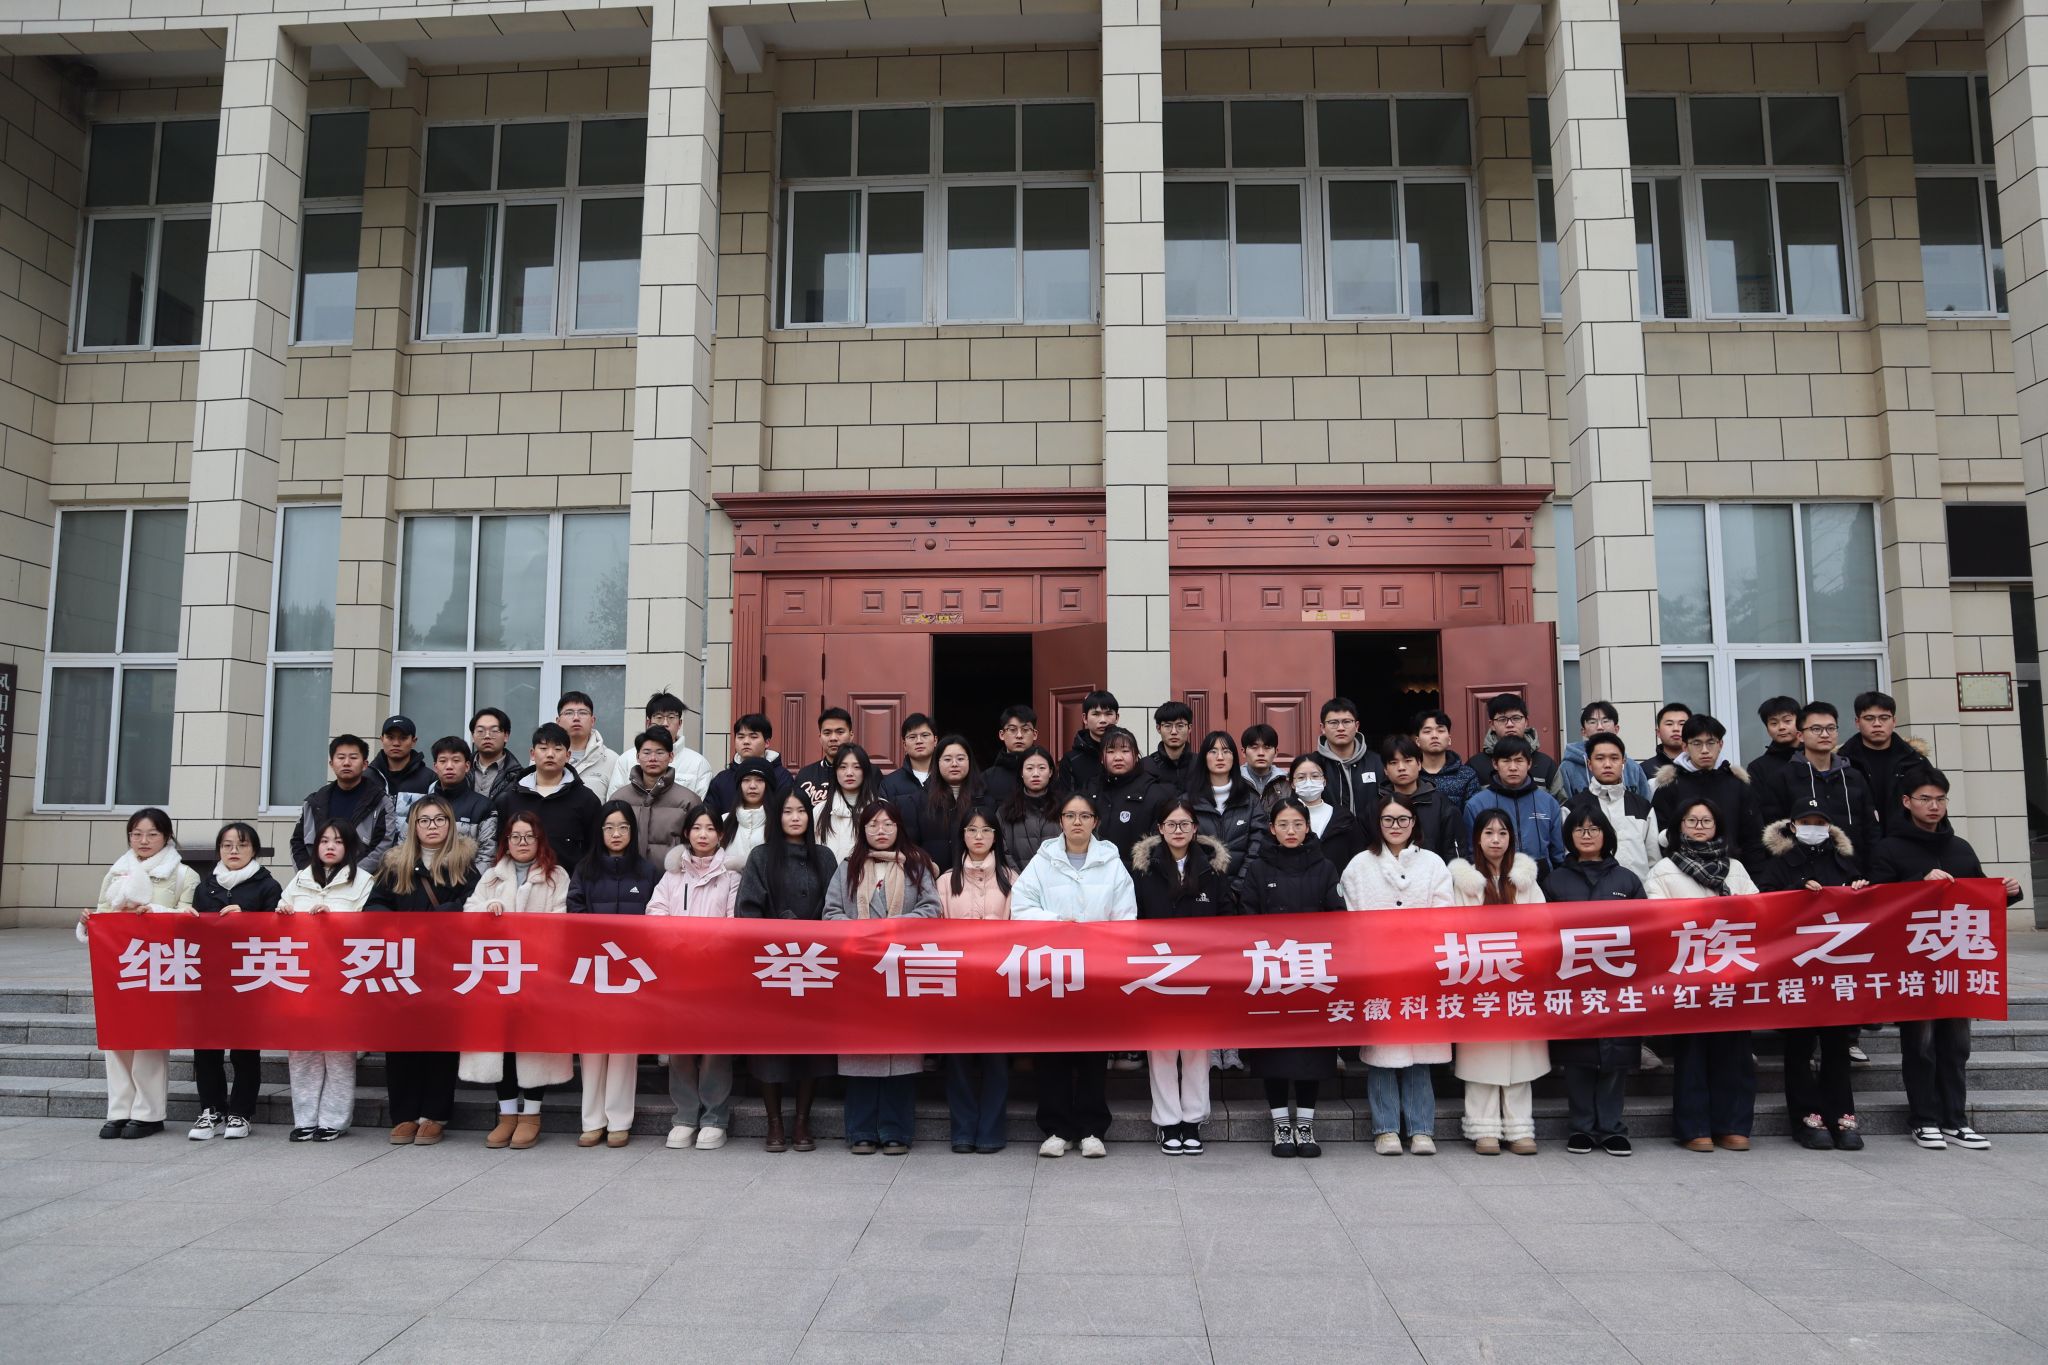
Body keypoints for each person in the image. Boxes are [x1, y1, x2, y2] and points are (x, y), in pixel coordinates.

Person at [1872, 770, 2023, 1151]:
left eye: (1940, 799)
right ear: (1907, 802)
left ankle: (1955, 1119)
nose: (1934, 806)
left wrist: (2008, 892)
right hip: (1914, 963)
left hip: (1958, 964)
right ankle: (1924, 1119)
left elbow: (1980, 899)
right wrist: (1918, 884)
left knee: (1957, 1046)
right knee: (1920, 1045)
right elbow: (1875, 903)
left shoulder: (1960, 848)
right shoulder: (1889, 848)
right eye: (1925, 799)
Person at [1011, 792, 1138, 1157]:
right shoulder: (1043, 861)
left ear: (1095, 822)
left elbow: (1126, 917)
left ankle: (1092, 1129)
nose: (1077, 822)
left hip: (1096, 970)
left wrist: (1100, 940)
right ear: (1060, 821)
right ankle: (1056, 1129)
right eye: (1070, 815)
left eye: (1084, 816)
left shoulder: (1111, 863)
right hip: (1051, 970)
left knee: (1092, 1054)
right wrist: (1056, 923)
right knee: (1052, 1052)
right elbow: (1021, 908)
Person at [824, 799, 940, 1155]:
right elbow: (830, 913)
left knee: (900, 1054)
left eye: (888, 824)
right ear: (863, 830)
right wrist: (861, 932)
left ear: (899, 828)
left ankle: (896, 1131)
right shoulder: (848, 866)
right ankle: (860, 1131)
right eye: (873, 824)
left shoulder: (916, 864)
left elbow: (932, 909)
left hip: (901, 969)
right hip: (858, 972)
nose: (881, 830)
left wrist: (892, 928)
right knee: (861, 1052)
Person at [1646, 797, 1761, 1153]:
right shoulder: (1664, 870)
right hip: (1688, 974)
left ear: (1717, 826)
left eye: (1706, 821)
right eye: (1692, 821)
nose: (1699, 827)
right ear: (1679, 826)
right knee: (1693, 1052)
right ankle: (1694, 1127)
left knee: (1735, 1053)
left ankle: (1733, 1125)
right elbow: (1655, 917)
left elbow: (1758, 909)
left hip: (1731, 972)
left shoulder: (1735, 868)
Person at [1342, 791, 1455, 1155]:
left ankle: (1422, 1129)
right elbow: (1350, 919)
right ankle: (1386, 1128)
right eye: (1388, 820)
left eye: (1403, 819)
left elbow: (1445, 916)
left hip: (1422, 970)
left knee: (1421, 1055)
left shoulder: (1434, 864)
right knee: (1383, 1055)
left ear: (1414, 823)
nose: (1395, 826)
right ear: (1377, 824)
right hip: (1379, 971)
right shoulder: (1359, 865)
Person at [1755, 799, 1870, 1151]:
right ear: (1793, 826)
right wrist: (1797, 891)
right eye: (1807, 822)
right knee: (1800, 1046)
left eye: (1820, 822)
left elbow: (1868, 909)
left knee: (1837, 1045)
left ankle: (1842, 1114)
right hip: (1796, 969)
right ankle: (1806, 1116)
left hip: (1837, 970)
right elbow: (1763, 904)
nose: (1814, 828)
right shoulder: (1778, 864)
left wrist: (1861, 889)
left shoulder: (1845, 862)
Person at [366, 795, 480, 1146]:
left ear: (450, 825)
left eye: (439, 820)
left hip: (446, 967)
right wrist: (397, 924)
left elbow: (473, 907)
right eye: (424, 820)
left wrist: (443, 916)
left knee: (440, 1042)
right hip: (404, 966)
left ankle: (434, 1115)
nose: (432, 827)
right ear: (413, 826)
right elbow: (374, 906)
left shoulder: (465, 866)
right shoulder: (395, 865)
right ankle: (404, 1114)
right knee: (401, 1041)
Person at [1238, 797, 1346, 1157]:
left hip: (1313, 971)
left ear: (1308, 827)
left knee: (1310, 1053)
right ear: (1271, 829)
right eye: (1283, 824)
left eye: (1298, 824)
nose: (1290, 831)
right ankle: (1281, 1124)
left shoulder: (1324, 866)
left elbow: (1337, 916)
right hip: (1272, 971)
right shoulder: (1258, 868)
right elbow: (1248, 918)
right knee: (1275, 1052)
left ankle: (1306, 1125)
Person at [460, 811, 573, 1149]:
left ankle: (532, 1116)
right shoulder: (491, 876)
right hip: (497, 975)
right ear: (506, 842)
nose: (522, 843)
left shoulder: (556, 876)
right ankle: (507, 1114)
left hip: (538, 973)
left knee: (534, 1045)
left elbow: (564, 919)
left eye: (529, 836)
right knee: (503, 1044)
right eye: (515, 837)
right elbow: (469, 911)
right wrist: (488, 910)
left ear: (540, 840)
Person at [1131, 799, 1237, 1154]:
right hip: (1156, 971)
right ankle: (1167, 1122)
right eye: (1171, 824)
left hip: (1200, 973)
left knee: (1196, 1050)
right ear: (1160, 829)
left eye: (1185, 824)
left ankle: (1192, 1120)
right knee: (1161, 1050)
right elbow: (1134, 918)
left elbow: (1228, 919)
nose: (1178, 831)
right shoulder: (1143, 870)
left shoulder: (1213, 870)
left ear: (1195, 828)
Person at [86, 808, 199, 1139]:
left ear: (167, 836)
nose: (143, 840)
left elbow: (190, 918)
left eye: (152, 834)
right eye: (136, 834)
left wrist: (156, 912)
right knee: (117, 1038)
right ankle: (119, 1111)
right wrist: (90, 921)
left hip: (159, 964)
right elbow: (103, 914)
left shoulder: (183, 875)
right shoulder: (116, 872)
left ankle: (148, 1113)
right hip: (118, 965)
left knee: (149, 1039)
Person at [737, 790, 839, 1152]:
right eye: (787, 811)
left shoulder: (824, 856)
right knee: (771, 1046)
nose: (795, 818)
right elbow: (747, 910)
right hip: (774, 964)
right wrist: (781, 926)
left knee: (810, 1045)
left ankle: (802, 1121)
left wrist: (811, 930)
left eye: (801, 811)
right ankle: (774, 1122)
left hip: (814, 963)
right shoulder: (761, 856)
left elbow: (835, 905)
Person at [1542, 804, 1646, 1155]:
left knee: (1615, 1057)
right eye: (1579, 829)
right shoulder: (1555, 880)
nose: (1586, 835)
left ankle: (1612, 1128)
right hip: (1572, 980)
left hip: (1618, 980)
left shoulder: (1627, 880)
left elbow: (1646, 929)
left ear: (1606, 835)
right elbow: (1543, 932)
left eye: (1594, 829)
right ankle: (1582, 1127)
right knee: (1578, 1058)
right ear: (1569, 836)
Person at [1449, 809, 1547, 1155]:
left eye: (1502, 833)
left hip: (1519, 979)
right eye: (1489, 833)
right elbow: (1453, 931)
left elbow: (1542, 928)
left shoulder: (1526, 880)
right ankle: (1483, 1128)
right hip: (1479, 980)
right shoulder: (1463, 881)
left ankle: (1520, 1128)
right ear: (1477, 838)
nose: (1495, 840)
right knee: (1482, 1057)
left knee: (1521, 1058)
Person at [567, 802, 661, 1148]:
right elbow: (574, 910)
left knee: (623, 1047)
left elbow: (656, 917)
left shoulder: (647, 872)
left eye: (623, 827)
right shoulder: (585, 869)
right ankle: (592, 1121)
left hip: (631, 972)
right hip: (594, 968)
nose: (616, 834)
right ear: (600, 832)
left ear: (632, 832)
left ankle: (619, 1121)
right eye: (609, 828)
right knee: (592, 1048)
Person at [650, 806, 743, 1151]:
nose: (703, 834)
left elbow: (735, 922)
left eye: (710, 828)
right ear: (687, 833)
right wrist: (680, 946)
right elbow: (655, 913)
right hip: (678, 971)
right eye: (697, 828)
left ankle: (715, 1118)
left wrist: (705, 949)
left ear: (721, 835)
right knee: (681, 1046)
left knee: (715, 1047)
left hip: (717, 974)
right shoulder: (672, 875)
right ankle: (685, 1115)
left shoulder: (732, 876)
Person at [279, 821, 376, 1141]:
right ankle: (305, 1119)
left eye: (337, 841)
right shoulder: (300, 878)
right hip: (302, 978)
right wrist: (282, 913)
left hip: (341, 980)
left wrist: (334, 920)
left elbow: (369, 927)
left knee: (338, 1054)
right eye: (324, 841)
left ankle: (334, 1120)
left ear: (349, 846)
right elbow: (280, 915)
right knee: (301, 1052)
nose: (330, 846)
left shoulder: (363, 881)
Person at [187, 821, 281, 1141]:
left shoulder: (268, 886)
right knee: (206, 1049)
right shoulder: (205, 887)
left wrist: (248, 917)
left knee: (244, 1050)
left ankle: (241, 1112)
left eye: (241, 845)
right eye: (227, 845)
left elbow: (280, 931)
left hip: (249, 979)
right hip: (211, 980)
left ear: (254, 850)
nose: (234, 851)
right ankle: (211, 1110)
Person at [939, 812, 1013, 1154]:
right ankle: (963, 1130)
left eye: (986, 830)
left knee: (996, 1060)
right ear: (962, 836)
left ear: (996, 836)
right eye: (971, 830)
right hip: (957, 982)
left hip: (999, 981)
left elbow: (1021, 926)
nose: (979, 836)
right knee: (958, 1060)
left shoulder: (1012, 878)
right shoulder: (945, 881)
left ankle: (991, 1131)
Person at [1757, 702, 1878, 871]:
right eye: (1816, 729)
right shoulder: (1782, 778)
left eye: (1831, 728)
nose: (1825, 734)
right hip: (1803, 874)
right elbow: (1775, 832)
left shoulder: (1853, 777)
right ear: (1800, 735)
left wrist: (1871, 871)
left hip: (1854, 872)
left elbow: (1871, 829)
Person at [1649, 713, 1765, 869]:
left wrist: (1752, 874)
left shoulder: (1737, 785)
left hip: (1732, 870)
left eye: (1711, 743)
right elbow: (1661, 837)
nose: (1704, 750)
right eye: (1697, 743)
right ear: (1685, 747)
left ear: (1720, 744)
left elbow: (1753, 838)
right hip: (1683, 871)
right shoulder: (1670, 786)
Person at [496, 722, 604, 871]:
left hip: (569, 882)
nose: (550, 754)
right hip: (519, 881)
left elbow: (594, 850)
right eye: (543, 748)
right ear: (532, 754)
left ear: (568, 755)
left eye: (558, 749)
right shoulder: (510, 798)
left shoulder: (586, 799)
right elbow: (501, 847)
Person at [292, 733, 397, 873]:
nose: (346, 763)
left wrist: (351, 875)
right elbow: (297, 842)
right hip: (317, 879)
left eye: (353, 757)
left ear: (365, 764)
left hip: (360, 879)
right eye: (341, 757)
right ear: (331, 764)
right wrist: (311, 875)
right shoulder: (314, 802)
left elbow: (383, 845)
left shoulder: (380, 802)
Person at [1837, 690, 1937, 836]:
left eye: (1884, 718)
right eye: (1869, 718)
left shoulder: (1915, 761)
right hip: (1858, 842)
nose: (1877, 724)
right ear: (1857, 722)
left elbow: (1934, 802)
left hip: (1906, 841)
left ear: (1894, 721)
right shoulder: (1841, 762)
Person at [1463, 735, 1566, 871]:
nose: (1513, 767)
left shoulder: (1548, 803)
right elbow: (1472, 852)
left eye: (1519, 760)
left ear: (1529, 764)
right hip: (1493, 877)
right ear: (1495, 764)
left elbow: (1558, 853)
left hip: (1540, 877)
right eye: (1506, 761)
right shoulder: (1476, 805)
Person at [609, 725, 703, 867]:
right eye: (646, 752)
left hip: (674, 876)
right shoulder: (619, 798)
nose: (653, 758)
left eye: (660, 752)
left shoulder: (689, 800)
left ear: (671, 756)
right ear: (637, 757)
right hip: (626, 875)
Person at [1574, 733, 1660, 883]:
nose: (1607, 764)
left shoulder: (1642, 807)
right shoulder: (1573, 808)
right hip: (1591, 892)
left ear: (1623, 762)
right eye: (1600, 758)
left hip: (1638, 891)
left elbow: (1654, 860)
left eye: (1614, 758)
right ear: (1589, 764)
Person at [1187, 730, 1266, 883]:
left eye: (1226, 751)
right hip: (1199, 888)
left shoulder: (1251, 801)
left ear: (1234, 757)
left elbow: (1257, 847)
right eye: (1213, 751)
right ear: (1204, 757)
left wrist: (1238, 887)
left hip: (1242, 889)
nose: (1220, 757)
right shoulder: (1188, 801)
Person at [605, 690, 715, 799]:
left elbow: (700, 806)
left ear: (680, 723)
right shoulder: (626, 759)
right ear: (648, 723)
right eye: (659, 717)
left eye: (671, 717)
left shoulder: (698, 764)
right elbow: (614, 802)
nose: (665, 723)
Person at [1380, 734, 1464, 861]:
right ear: (1385, 770)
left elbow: (1454, 854)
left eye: (1408, 761)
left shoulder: (1441, 805)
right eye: (1393, 763)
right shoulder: (1376, 806)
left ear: (1419, 764)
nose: (1401, 768)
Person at [1094, 726, 1170, 865]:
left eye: (1125, 751)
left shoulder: (1154, 794)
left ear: (1136, 756)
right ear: (1101, 759)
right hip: (1094, 873)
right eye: (1110, 751)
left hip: (1136, 874)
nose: (1118, 757)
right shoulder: (1091, 791)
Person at [1284, 752, 1367, 871]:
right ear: (1292, 783)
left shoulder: (1344, 818)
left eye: (1315, 776)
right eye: (1301, 777)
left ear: (1324, 781)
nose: (1309, 782)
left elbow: (1358, 859)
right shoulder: (1282, 817)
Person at [919, 734, 992, 870]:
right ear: (937, 763)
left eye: (960, 759)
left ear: (970, 761)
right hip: (931, 876)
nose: (954, 764)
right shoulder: (919, 800)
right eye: (947, 759)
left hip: (976, 875)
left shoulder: (985, 800)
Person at [427, 736, 498, 874]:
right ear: (435, 767)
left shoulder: (483, 806)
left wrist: (468, 883)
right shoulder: (421, 807)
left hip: (466, 882)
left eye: (456, 760)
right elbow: (407, 846)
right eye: (443, 761)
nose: (449, 766)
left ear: (467, 766)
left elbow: (487, 855)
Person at [1553, 700, 1650, 801]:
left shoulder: (1633, 768)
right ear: (1583, 731)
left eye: (1605, 721)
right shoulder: (1568, 768)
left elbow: (1646, 803)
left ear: (1616, 728)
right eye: (1592, 722)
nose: (1600, 727)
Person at [705, 713, 791, 814]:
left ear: (767, 742)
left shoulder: (781, 776)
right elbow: (710, 816)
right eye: (740, 737)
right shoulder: (721, 780)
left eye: (753, 737)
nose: (746, 742)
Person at [1468, 693, 1557, 790]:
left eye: (1516, 718)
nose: (1510, 724)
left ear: (1526, 722)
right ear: (1492, 725)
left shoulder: (1546, 764)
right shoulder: (1475, 765)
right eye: (1502, 719)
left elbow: (1559, 799)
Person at [995, 743, 1062, 873]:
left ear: (1050, 772)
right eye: (1029, 768)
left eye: (1042, 768)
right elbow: (1001, 850)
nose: (1035, 774)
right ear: (1021, 772)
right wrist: (1019, 879)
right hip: (1017, 881)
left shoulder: (1064, 809)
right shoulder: (1005, 811)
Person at [1314, 696, 1384, 817]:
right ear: (1323, 728)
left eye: (1346, 722)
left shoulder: (1377, 762)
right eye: (1333, 723)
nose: (1341, 728)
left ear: (1356, 726)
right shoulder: (1313, 764)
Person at [814, 742, 882, 862]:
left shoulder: (882, 809)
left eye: (857, 767)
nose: (849, 773)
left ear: (865, 771)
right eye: (843, 767)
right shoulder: (819, 811)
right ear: (835, 771)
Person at [1413, 710, 1481, 816]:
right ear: (1417, 741)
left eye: (1440, 730)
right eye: (1427, 731)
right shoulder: (1409, 774)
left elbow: (1474, 815)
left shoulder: (1467, 775)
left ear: (1449, 739)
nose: (1434, 736)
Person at [719, 756, 778, 871]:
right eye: (746, 780)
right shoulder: (723, 821)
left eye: (759, 780)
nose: (752, 786)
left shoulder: (780, 822)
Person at [369, 714, 435, 816]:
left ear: (413, 741)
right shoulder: (367, 777)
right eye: (390, 737)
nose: (396, 743)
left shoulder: (429, 779)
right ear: (382, 739)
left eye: (403, 738)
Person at [1058, 690, 1120, 796]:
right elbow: (1066, 800)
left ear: (1117, 718)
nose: (1103, 720)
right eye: (1096, 714)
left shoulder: (1126, 755)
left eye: (1108, 714)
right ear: (1085, 718)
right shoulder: (1071, 760)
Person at [555, 691, 618, 792]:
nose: (576, 718)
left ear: (592, 721)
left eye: (583, 713)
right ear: (558, 721)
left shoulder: (611, 759)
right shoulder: (544, 756)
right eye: (569, 713)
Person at [793, 706, 856, 808]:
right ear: (820, 738)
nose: (833, 738)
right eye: (827, 733)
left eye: (840, 732)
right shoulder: (805, 775)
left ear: (851, 735)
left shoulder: (870, 772)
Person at [1746, 695, 1804, 796]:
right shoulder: (1758, 768)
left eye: (1787, 721)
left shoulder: (1814, 757)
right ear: (1767, 729)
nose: (1781, 727)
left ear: (1800, 722)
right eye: (1774, 723)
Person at [879, 712, 939, 806]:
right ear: (904, 745)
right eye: (912, 737)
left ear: (935, 740)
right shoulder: (889, 784)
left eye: (925, 735)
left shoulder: (947, 777)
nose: (919, 741)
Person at [980, 706, 1037, 804]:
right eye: (1012, 729)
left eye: (1025, 729)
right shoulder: (987, 778)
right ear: (1001, 734)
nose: (1019, 735)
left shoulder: (1045, 774)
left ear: (1035, 734)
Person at [468, 706, 519, 802]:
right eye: (481, 731)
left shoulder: (518, 776)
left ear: (506, 736)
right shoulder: (461, 769)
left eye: (494, 731)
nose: (487, 736)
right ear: (472, 737)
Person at [1142, 700, 1197, 788]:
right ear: (1158, 728)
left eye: (1180, 726)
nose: (1174, 732)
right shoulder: (1145, 766)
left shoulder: (1200, 764)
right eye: (1167, 726)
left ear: (1189, 728)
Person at [1639, 701, 1692, 781]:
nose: (1676, 729)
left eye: (1682, 724)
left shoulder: (1701, 766)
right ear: (1658, 732)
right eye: (1669, 724)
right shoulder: (1643, 770)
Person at [1238, 723, 1285, 807]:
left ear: (1276, 752)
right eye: (1254, 747)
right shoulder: (1233, 780)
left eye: (1267, 747)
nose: (1261, 753)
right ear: (1243, 752)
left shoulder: (1287, 781)